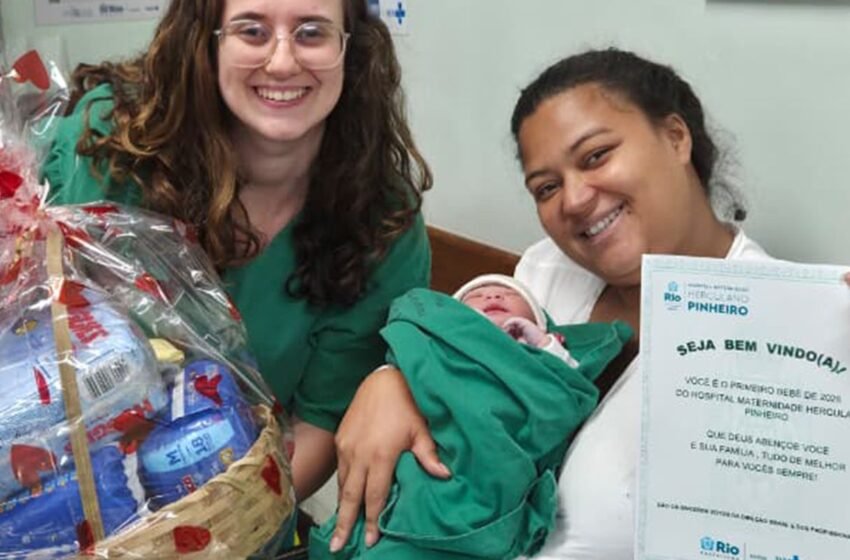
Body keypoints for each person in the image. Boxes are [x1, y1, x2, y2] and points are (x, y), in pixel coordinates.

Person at [327, 47, 789, 557]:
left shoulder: (780, 327)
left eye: (596, 156)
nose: (574, 199)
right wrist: (392, 380)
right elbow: (463, 372)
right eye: (546, 187)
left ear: (676, 137)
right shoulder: (543, 278)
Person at [41, 0, 432, 507]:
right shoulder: (110, 150)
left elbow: (318, 421)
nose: (283, 62)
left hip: (233, 514)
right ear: (207, 43)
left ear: (351, 50)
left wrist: (209, 530)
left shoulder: (380, 223)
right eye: (252, 31)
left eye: (312, 33)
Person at [310, 276, 629, 558]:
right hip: (433, 459)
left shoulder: (542, 353)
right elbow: (416, 355)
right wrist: (389, 374)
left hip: (494, 476)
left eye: (510, 294)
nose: (493, 295)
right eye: (476, 295)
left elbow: (561, 392)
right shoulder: (443, 343)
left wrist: (546, 346)